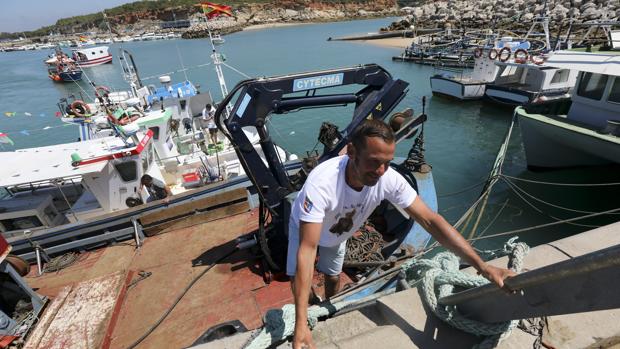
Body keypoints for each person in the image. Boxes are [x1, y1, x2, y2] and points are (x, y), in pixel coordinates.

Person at [288, 119, 515, 349]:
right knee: (298, 279)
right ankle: (306, 309)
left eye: (387, 163)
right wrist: (300, 325)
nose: (380, 171)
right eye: (374, 162)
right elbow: (307, 250)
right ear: (352, 152)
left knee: (333, 275)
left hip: (339, 233)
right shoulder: (322, 184)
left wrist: (482, 266)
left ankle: (329, 306)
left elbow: (430, 220)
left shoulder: (387, 177)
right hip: (307, 228)